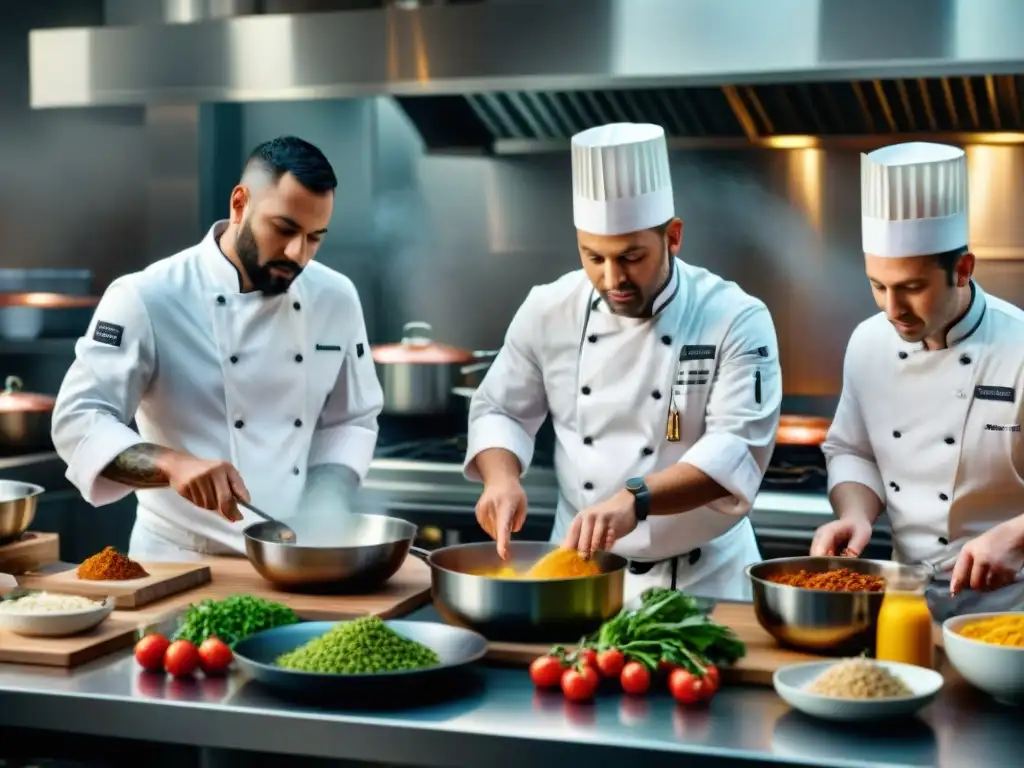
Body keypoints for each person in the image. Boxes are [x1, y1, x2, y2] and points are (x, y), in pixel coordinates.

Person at [462, 122, 782, 603]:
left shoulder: (736, 317)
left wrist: (636, 499)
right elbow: (500, 410)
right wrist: (501, 478)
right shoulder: (549, 309)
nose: (613, 278)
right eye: (594, 256)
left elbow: (734, 449)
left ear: (673, 236)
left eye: (632, 256)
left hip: (706, 581)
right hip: (575, 573)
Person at [51, 136, 384, 561]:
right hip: (180, 561)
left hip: (297, 558)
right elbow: (79, 420)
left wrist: (323, 504)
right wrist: (172, 464)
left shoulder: (336, 296)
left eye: (315, 237)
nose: (298, 253)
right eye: (283, 229)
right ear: (240, 203)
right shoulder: (147, 296)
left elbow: (351, 420)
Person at [812, 141, 1024, 617]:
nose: (892, 309)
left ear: (963, 270)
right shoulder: (868, 344)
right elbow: (852, 450)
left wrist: (1016, 536)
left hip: (1014, 614)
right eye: (878, 286)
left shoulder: (1020, 349)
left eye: (911, 288)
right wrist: (855, 513)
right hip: (906, 606)